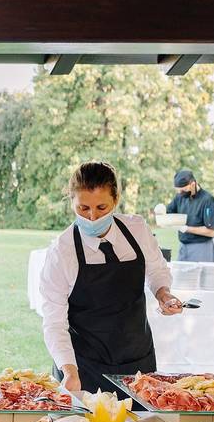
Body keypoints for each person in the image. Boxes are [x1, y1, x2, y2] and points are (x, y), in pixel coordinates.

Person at [40, 161, 183, 397]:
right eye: (83, 208)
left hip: (137, 364)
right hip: (82, 367)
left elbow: (157, 270)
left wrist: (163, 294)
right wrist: (69, 371)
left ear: (115, 200)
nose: (93, 217)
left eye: (102, 207)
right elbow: (54, 322)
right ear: (71, 202)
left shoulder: (137, 229)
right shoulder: (61, 252)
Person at [161, 169, 214, 262]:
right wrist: (161, 212)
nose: (180, 193)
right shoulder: (180, 197)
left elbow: (212, 232)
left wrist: (186, 228)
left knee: (199, 276)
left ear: (193, 184)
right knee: (181, 275)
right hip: (183, 247)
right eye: (178, 191)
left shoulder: (208, 201)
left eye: (183, 190)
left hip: (201, 247)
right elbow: (168, 213)